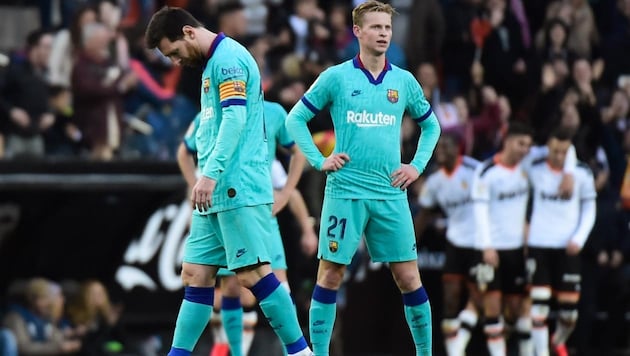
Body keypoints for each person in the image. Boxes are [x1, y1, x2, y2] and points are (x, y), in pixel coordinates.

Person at [145, 6, 313, 356]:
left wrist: (208, 173)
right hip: (215, 193)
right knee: (195, 274)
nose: (176, 61)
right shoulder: (211, 65)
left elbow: (234, 120)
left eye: (174, 52)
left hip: (235, 187)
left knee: (253, 275)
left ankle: (300, 352)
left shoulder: (229, 60)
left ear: (189, 32)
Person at [285, 2, 441, 355]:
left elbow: (431, 125)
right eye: (376, 27)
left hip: (390, 193)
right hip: (345, 191)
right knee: (330, 275)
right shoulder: (336, 77)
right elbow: (295, 120)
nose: (384, 33)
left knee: (408, 278)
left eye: (387, 27)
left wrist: (415, 166)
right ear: (357, 31)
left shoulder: (403, 81)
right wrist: (319, 159)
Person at [176, 103, 318, 356]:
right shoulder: (208, 113)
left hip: (251, 206)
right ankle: (238, 351)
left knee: (267, 281)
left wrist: (293, 209)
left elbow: (296, 158)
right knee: (223, 283)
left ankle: (296, 351)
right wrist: (196, 185)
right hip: (223, 207)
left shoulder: (269, 117)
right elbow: (183, 152)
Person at [471, 121, 576, 356]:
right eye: (521, 144)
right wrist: (487, 246)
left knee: (521, 310)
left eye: (529, 145)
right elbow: (479, 211)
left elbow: (564, 144)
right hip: (491, 250)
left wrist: (568, 171)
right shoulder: (486, 171)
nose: (525, 150)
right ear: (507, 140)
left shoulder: (527, 162)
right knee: (492, 308)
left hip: (518, 249)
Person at [526, 127, 597, 356]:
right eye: (554, 150)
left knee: (569, 315)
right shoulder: (534, 167)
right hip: (539, 244)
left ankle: (557, 341)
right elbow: (527, 151)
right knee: (539, 306)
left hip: (568, 247)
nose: (558, 156)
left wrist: (579, 238)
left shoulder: (582, 173)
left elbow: (589, 208)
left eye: (563, 152)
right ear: (548, 147)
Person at [416, 133, 482, 356]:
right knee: (450, 299)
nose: (439, 152)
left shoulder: (475, 170)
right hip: (455, 242)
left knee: (479, 297)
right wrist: (407, 245)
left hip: (480, 242)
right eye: (438, 148)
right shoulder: (435, 182)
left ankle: (459, 346)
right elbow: (424, 215)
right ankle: (453, 351)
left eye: (444, 147)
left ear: (457, 148)